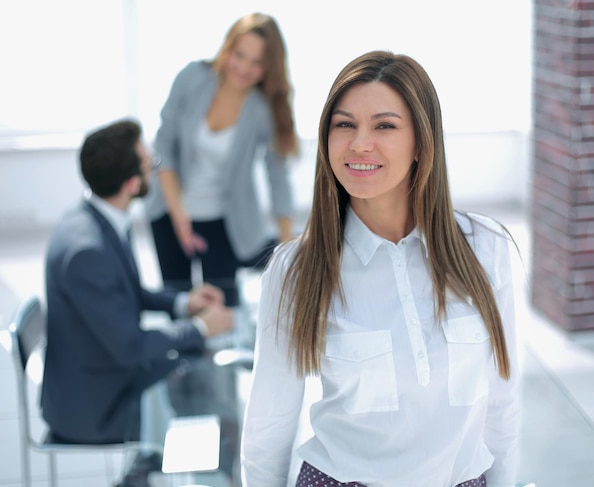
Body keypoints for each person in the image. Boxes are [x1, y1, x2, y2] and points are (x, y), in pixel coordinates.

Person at [240, 51, 520, 487]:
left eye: (384, 125)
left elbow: (502, 404)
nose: (359, 143)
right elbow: (268, 424)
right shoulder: (295, 270)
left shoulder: (486, 248)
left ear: (422, 142)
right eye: (344, 124)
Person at [40, 119, 233, 487]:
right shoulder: (88, 250)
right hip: (95, 407)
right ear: (132, 184)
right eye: (151, 164)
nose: (154, 170)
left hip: (101, 372)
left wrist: (183, 303)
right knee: (207, 411)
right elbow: (130, 347)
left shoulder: (93, 218)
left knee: (196, 371)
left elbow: (127, 292)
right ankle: (148, 473)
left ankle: (142, 474)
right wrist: (201, 326)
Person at [144, 12, 299, 307]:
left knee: (223, 307)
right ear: (228, 47)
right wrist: (180, 217)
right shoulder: (192, 77)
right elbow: (164, 144)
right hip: (170, 210)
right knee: (178, 302)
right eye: (239, 55)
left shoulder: (263, 110)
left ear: (270, 67)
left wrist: (286, 248)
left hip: (224, 221)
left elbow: (277, 176)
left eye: (257, 63)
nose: (243, 68)